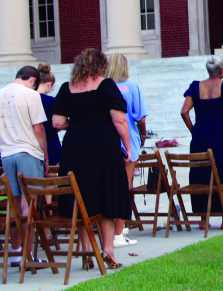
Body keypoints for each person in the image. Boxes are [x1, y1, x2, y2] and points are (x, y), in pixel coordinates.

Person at [52, 49, 132, 269]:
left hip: (74, 149)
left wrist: (78, 124)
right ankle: (108, 250)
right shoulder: (106, 85)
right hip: (104, 147)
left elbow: (57, 122)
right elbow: (120, 121)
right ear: (100, 66)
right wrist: (128, 147)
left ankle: (86, 251)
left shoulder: (66, 89)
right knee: (106, 196)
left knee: (81, 198)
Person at [181, 55, 223, 230]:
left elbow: (184, 111)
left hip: (201, 134)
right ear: (222, 71)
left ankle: (203, 220)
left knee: (202, 173)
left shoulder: (195, 86)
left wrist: (194, 130)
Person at [0, 66, 49, 268]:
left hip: (7, 152)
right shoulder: (31, 95)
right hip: (28, 151)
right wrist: (45, 157)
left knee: (13, 204)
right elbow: (39, 129)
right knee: (29, 206)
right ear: (33, 80)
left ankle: (16, 253)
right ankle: (27, 255)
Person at [105, 53, 148, 247]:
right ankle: (118, 232)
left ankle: (112, 227)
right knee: (124, 185)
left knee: (108, 185)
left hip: (108, 139)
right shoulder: (131, 86)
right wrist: (144, 135)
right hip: (128, 138)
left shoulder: (103, 86)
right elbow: (141, 116)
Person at [36, 63, 61, 166]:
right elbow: (57, 124)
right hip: (50, 144)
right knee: (51, 179)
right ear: (49, 84)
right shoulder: (51, 101)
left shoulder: (28, 99)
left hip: (32, 145)